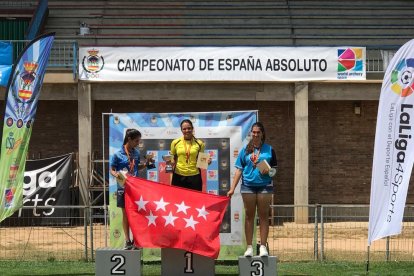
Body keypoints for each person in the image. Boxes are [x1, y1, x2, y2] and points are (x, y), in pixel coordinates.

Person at [227, 122, 277, 257]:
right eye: (253, 132)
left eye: (258, 132)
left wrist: (268, 171)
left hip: (265, 186)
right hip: (248, 186)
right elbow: (238, 170)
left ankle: (262, 247)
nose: (255, 135)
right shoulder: (245, 150)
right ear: (251, 134)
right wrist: (232, 189)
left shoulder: (270, 149)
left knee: (264, 216)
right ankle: (249, 247)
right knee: (249, 216)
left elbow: (274, 172)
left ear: (262, 134)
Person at [110, 128, 152, 250]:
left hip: (135, 188)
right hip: (123, 187)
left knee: (135, 214)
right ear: (129, 139)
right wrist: (116, 174)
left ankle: (136, 240)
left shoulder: (136, 153)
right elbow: (112, 169)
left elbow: (136, 167)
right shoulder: (118, 154)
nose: (138, 143)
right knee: (125, 214)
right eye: (136, 141)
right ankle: (127, 240)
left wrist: (147, 163)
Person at [168, 119, 210, 191]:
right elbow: (171, 160)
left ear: (192, 128)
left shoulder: (200, 143)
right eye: (184, 129)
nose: (187, 130)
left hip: (194, 176)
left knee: (195, 200)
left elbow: (202, 163)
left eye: (189, 128)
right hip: (178, 175)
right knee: (178, 200)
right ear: (181, 130)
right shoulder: (175, 142)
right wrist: (170, 174)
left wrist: (208, 162)